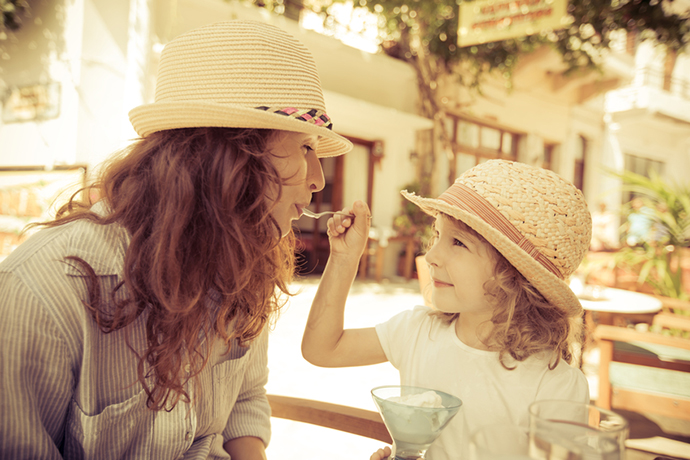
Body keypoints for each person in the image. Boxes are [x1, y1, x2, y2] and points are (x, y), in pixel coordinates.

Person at [0, 20, 352, 459]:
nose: (319, 179)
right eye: (304, 148)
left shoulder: (244, 261)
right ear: (228, 159)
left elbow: (244, 400)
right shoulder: (43, 291)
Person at [302, 160, 592, 460]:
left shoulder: (555, 386)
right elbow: (323, 349)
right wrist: (344, 257)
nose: (432, 255)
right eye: (437, 235)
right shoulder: (417, 331)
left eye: (458, 242)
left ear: (513, 276)